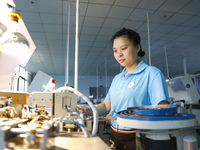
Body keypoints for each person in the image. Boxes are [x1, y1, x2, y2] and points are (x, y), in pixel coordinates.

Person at [82, 28, 169, 150]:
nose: (119, 54)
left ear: (137, 48)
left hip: (138, 137)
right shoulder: (117, 78)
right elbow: (106, 106)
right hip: (114, 134)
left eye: (123, 49)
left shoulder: (151, 73)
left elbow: (162, 109)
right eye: (115, 50)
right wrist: (85, 110)